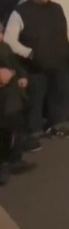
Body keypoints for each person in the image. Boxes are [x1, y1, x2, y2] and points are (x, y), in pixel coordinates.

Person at [3, 0, 69, 148]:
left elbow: (65, 31)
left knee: (59, 94)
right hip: (35, 65)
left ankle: (55, 125)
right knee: (35, 100)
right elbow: (9, 40)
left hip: (59, 61)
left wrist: (67, 48)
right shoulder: (20, 12)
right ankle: (33, 133)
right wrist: (30, 53)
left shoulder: (56, 8)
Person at [0, 23, 32, 184]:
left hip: (12, 97)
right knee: (4, 131)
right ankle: (4, 164)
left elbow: (15, 65)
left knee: (13, 128)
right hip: (5, 99)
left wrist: (22, 75)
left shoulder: (4, 47)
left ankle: (13, 159)